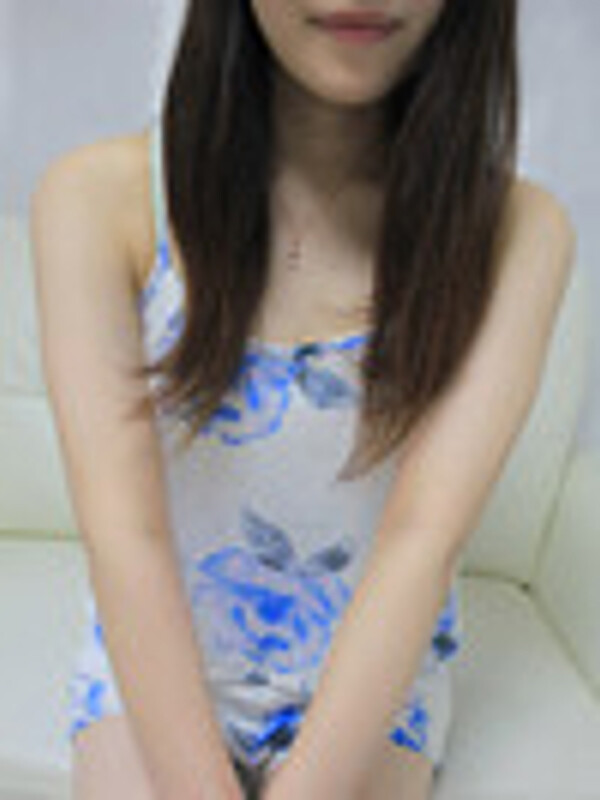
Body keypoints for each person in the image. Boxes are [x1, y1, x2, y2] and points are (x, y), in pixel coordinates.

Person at [30, 0, 576, 798]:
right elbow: (125, 533)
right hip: (161, 662)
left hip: (374, 680)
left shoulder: (516, 232)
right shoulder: (97, 198)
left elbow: (422, 540)